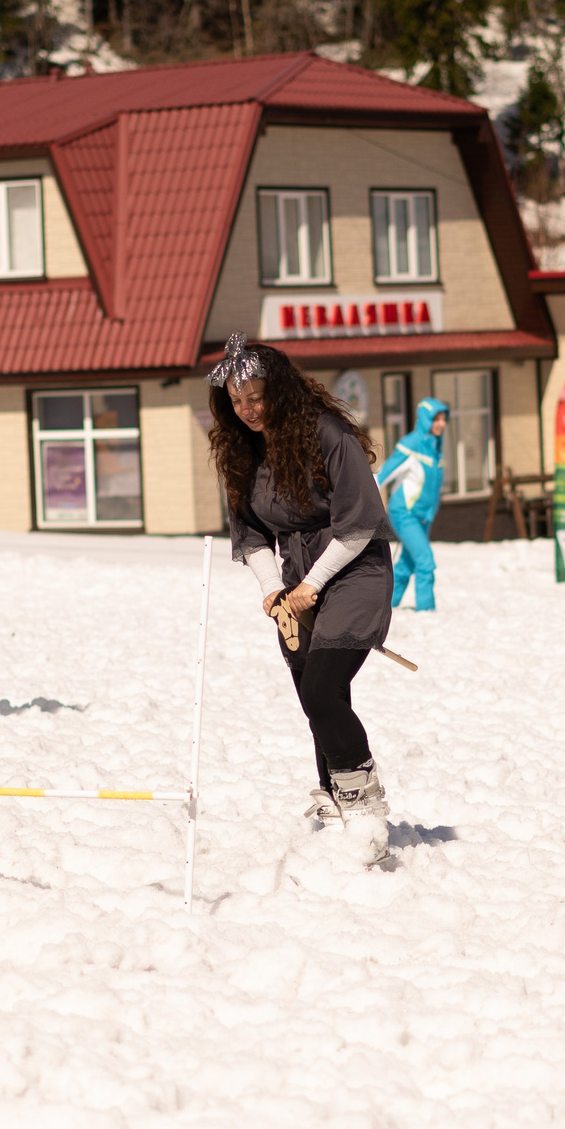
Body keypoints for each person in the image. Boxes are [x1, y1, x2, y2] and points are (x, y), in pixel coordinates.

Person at [207, 334, 398, 866]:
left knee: (322, 686)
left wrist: (312, 584)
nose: (247, 410)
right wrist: (273, 589)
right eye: (236, 400)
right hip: (295, 582)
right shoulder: (241, 451)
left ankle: (364, 802)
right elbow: (250, 534)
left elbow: (359, 522)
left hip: (354, 568)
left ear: (281, 391)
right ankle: (336, 797)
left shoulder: (327, 433)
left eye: (256, 397)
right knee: (312, 695)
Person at [376, 396, 448, 611]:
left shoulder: (435, 447)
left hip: (424, 516)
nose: (442, 424)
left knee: (407, 563)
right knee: (425, 560)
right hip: (404, 513)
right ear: (426, 419)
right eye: (436, 419)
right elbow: (382, 476)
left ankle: (387, 605)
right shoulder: (411, 445)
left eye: (443, 419)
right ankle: (427, 610)